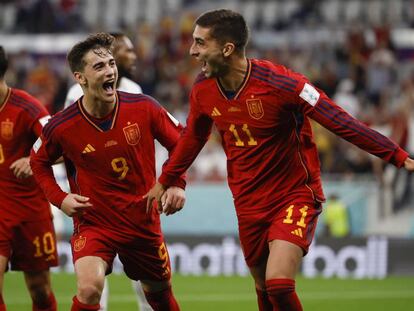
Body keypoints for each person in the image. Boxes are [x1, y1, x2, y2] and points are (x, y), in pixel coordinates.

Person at [145, 9, 414, 311]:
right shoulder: (203, 90)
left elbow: (341, 122)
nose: (192, 51)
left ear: (227, 48)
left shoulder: (283, 84)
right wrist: (165, 181)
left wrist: (398, 156)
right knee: (264, 291)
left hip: (294, 194)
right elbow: (192, 139)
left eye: (200, 43)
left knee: (279, 283)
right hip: (247, 202)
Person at [30, 33, 184, 311]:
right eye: (99, 67)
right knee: (89, 289)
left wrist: (175, 183)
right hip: (94, 222)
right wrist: (60, 198)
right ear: (80, 77)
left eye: (111, 64)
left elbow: (181, 143)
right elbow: (37, 161)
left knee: (159, 295)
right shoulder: (61, 126)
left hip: (142, 220)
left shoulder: (144, 106)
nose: (110, 70)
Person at [61, 32, 152, 311]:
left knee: (147, 278)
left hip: (134, 197)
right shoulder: (77, 95)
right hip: (95, 200)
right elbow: (62, 142)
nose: (132, 56)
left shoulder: (135, 90)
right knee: (93, 277)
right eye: (127, 50)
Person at [0, 46, 58, 311]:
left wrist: (35, 160)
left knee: (40, 289)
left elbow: (62, 144)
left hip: (29, 209)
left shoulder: (27, 107)